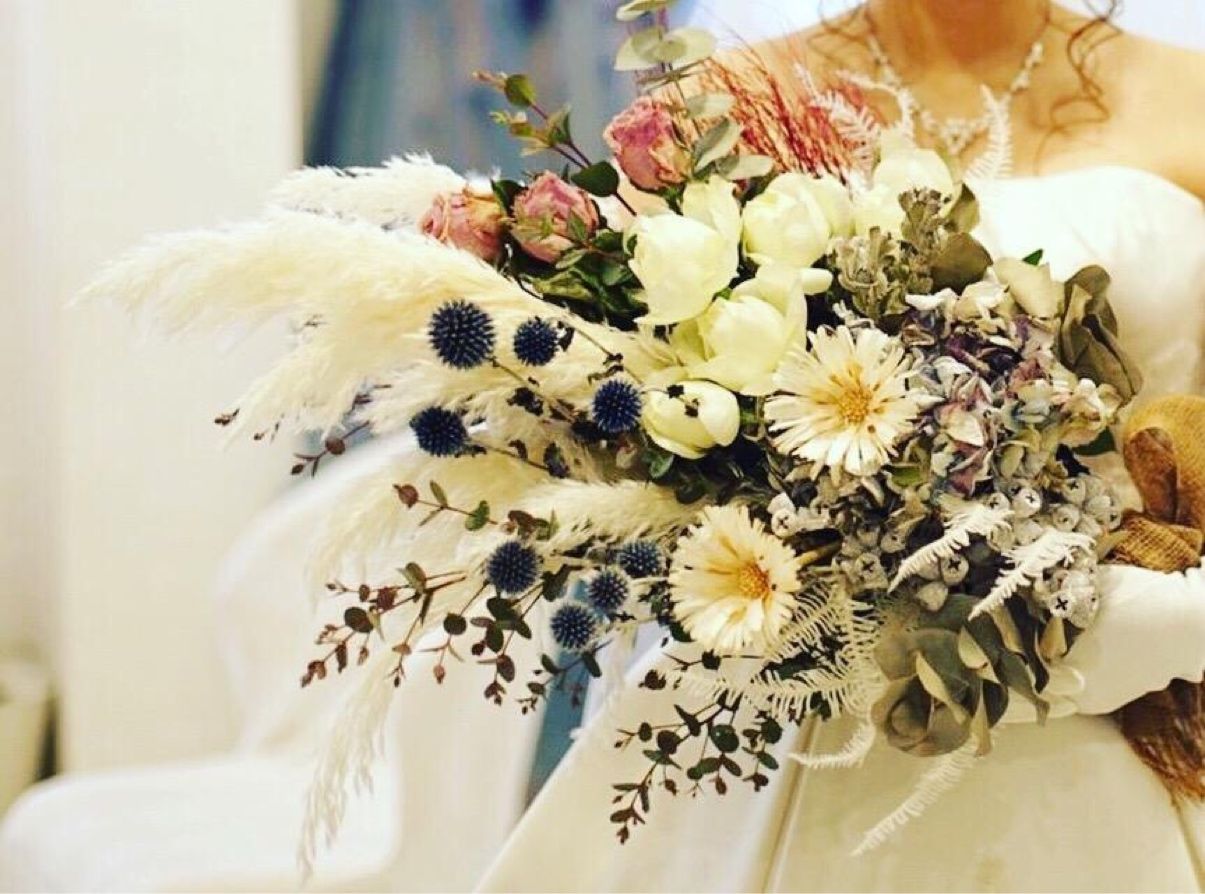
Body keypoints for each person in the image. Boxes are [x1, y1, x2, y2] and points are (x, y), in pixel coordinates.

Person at [474, 2, 1205, 890]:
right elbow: (628, 415)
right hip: (802, 721)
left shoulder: (1189, 96)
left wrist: (1169, 620)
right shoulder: (714, 107)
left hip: (1134, 703)